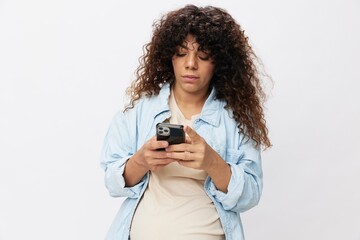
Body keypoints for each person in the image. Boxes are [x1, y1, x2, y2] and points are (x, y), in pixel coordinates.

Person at [100, 4, 271, 240]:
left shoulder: (236, 119)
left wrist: (212, 162)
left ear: (219, 62)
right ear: (168, 55)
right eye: (181, 53)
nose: (191, 63)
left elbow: (250, 195)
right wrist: (140, 161)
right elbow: (112, 181)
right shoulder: (140, 110)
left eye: (203, 56)